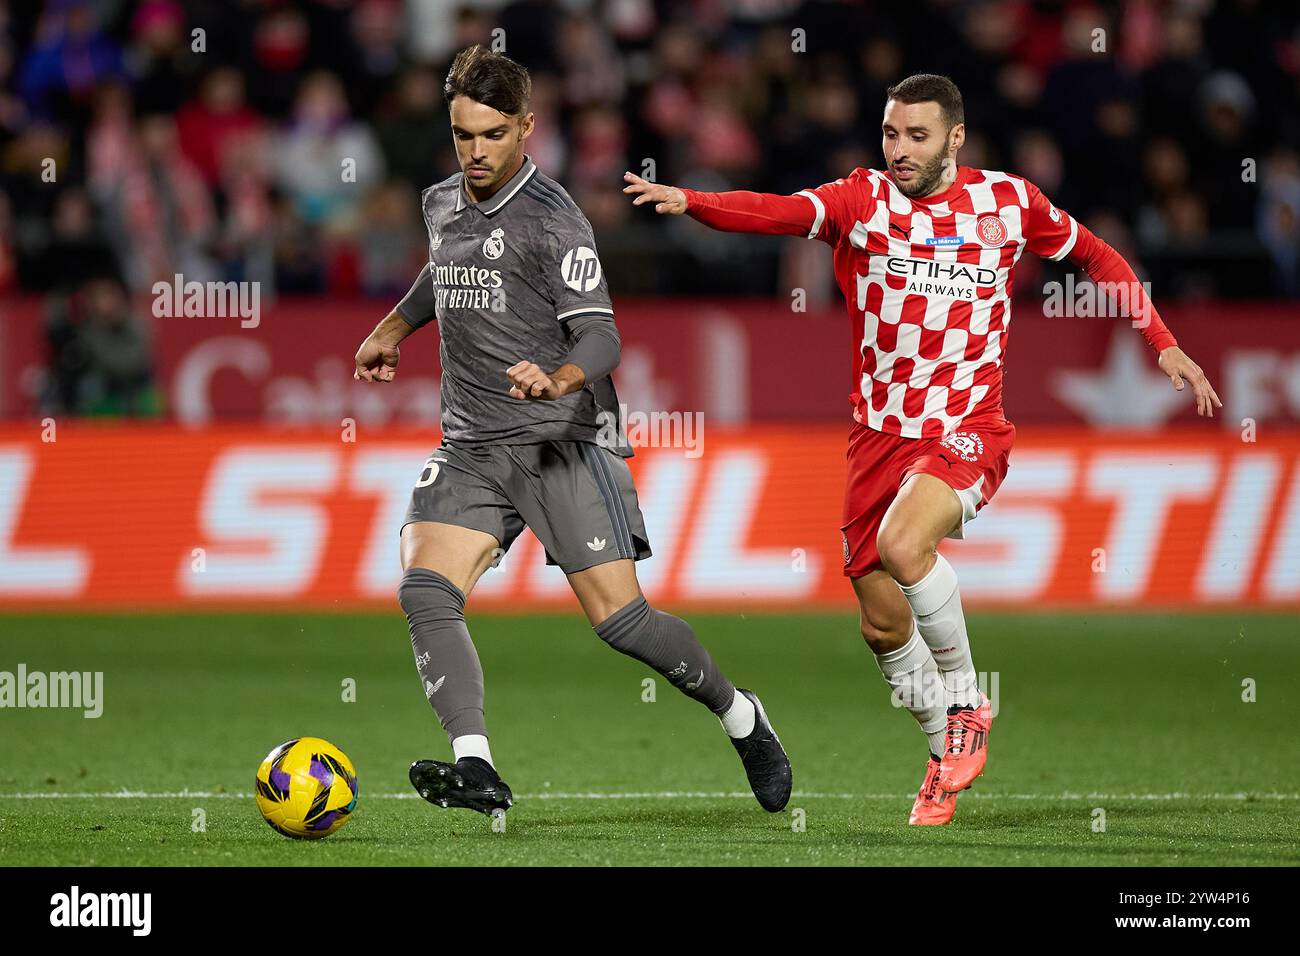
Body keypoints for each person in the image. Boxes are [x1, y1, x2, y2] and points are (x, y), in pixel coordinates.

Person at [624, 73, 1221, 825]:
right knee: (879, 623)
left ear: (955, 138)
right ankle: (943, 749)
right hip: (877, 437)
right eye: (890, 134)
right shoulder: (862, 200)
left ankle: (970, 703)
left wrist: (1160, 342)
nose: (899, 151)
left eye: (917, 136)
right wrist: (694, 202)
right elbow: (777, 213)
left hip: (968, 427)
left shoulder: (1008, 203)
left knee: (907, 546)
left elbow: (1098, 255)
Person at [353, 45, 791, 821]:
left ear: (526, 128)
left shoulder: (558, 222)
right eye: (463, 136)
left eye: (492, 135)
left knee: (623, 623)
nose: (477, 152)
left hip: (560, 440)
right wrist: (393, 327)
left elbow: (602, 341)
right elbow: (442, 271)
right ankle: (477, 767)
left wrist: (556, 378)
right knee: (425, 590)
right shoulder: (441, 203)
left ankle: (741, 714)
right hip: (472, 446)